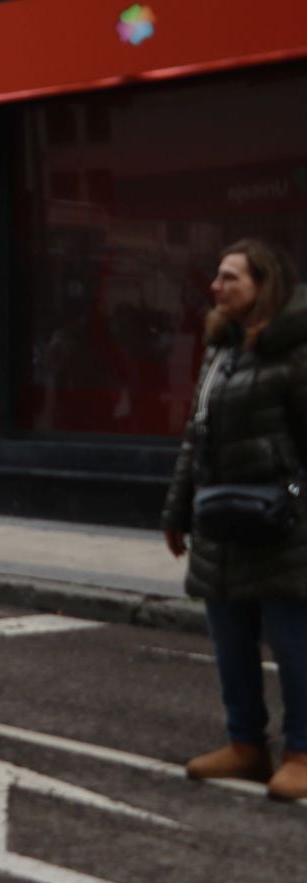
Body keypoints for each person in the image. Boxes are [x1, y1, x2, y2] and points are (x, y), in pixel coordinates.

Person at [164, 240, 307, 800]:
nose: (216, 288)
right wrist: (177, 509)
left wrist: (294, 501)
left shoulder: (296, 353)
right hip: (221, 523)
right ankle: (246, 746)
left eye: (230, 279)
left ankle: (300, 750)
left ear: (263, 284)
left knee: (294, 645)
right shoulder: (219, 350)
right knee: (230, 641)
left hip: (283, 527)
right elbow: (193, 437)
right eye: (217, 278)